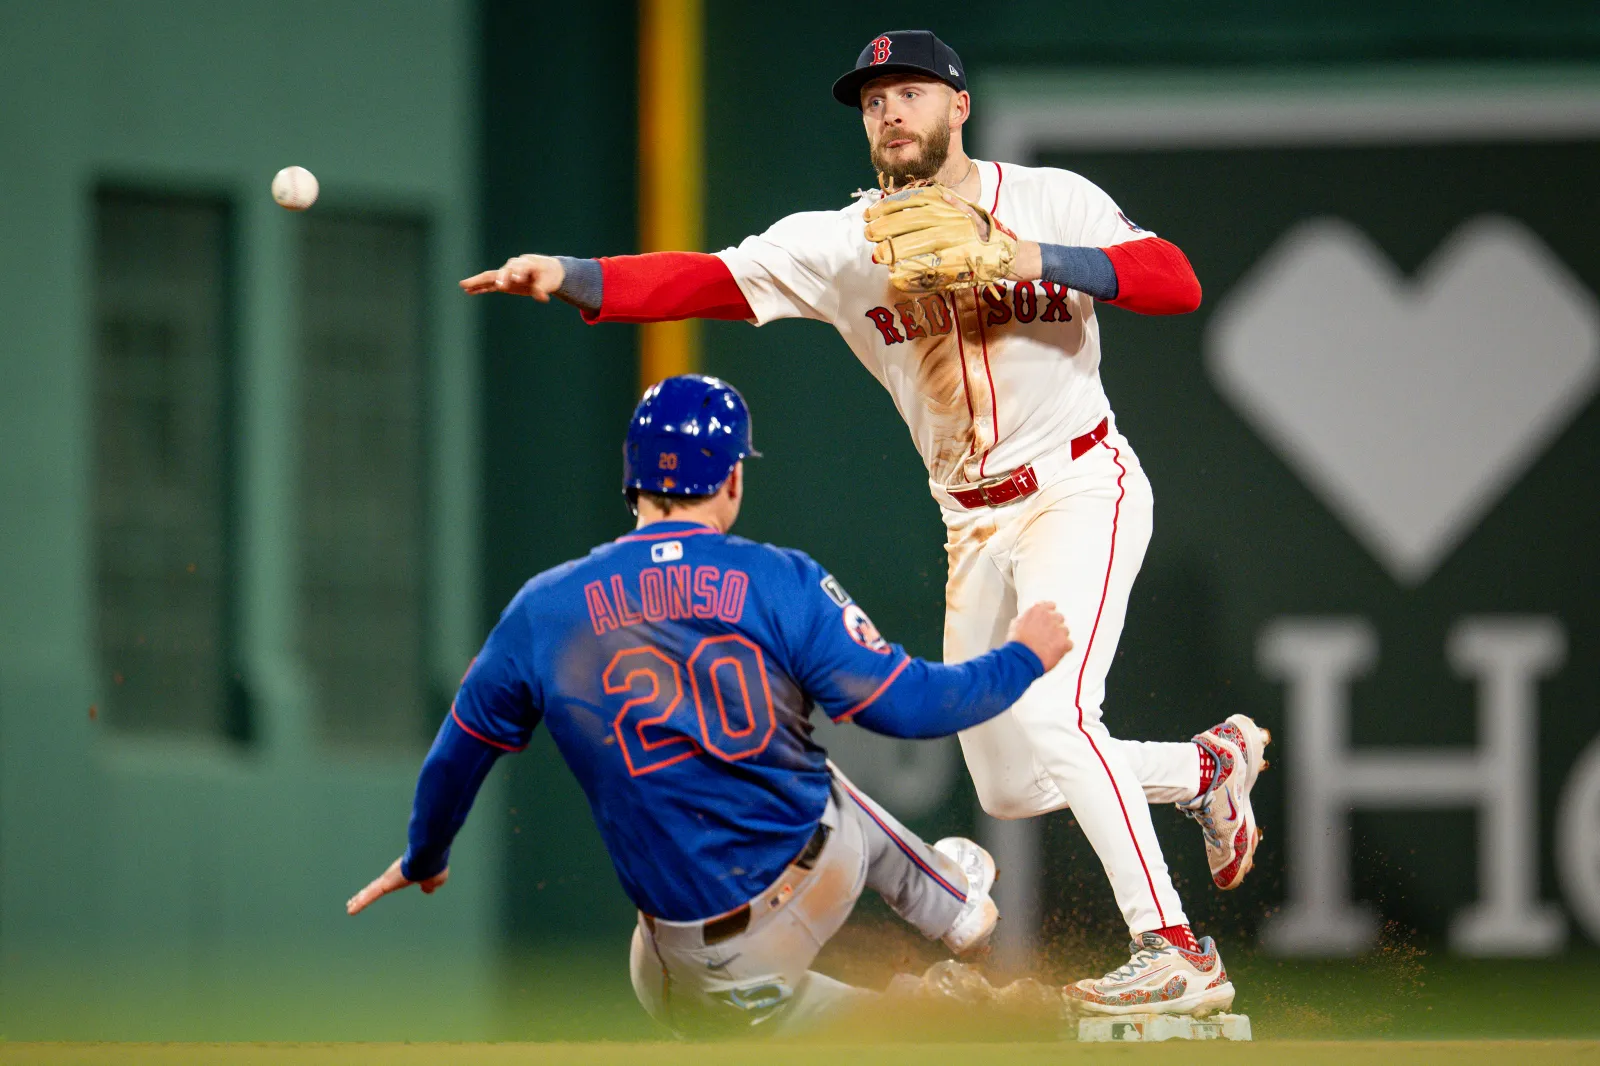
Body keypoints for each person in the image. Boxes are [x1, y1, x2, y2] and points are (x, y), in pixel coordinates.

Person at [458, 29, 1269, 1017]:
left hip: (1076, 487)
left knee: (1058, 716)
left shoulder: (1048, 198)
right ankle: (1206, 769)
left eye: (910, 92)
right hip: (969, 522)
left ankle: (1175, 951)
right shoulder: (844, 244)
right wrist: (573, 275)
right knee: (1011, 785)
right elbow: (707, 279)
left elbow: (1174, 280)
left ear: (958, 105)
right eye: (873, 100)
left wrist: (1025, 256)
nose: (889, 112)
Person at [346, 374, 1079, 1035]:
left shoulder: (546, 609)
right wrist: (1022, 656)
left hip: (705, 954)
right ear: (731, 477)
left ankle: (933, 998)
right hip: (826, 864)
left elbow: (459, 752)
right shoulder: (780, 580)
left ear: (633, 481)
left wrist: (425, 853)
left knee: (675, 987)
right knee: (812, 776)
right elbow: (911, 707)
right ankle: (951, 914)